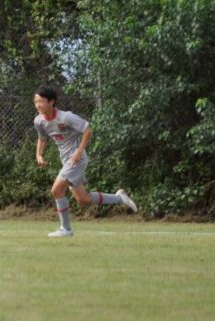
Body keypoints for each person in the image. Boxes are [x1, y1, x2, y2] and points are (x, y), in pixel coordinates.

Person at [34, 86, 137, 237]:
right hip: (66, 160)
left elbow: (88, 130)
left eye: (41, 101)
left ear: (51, 102)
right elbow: (42, 139)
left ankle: (66, 229)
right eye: (35, 101)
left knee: (56, 190)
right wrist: (39, 155)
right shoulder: (39, 121)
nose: (38, 105)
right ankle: (119, 198)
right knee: (84, 200)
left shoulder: (66, 117)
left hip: (77, 159)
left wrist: (79, 151)